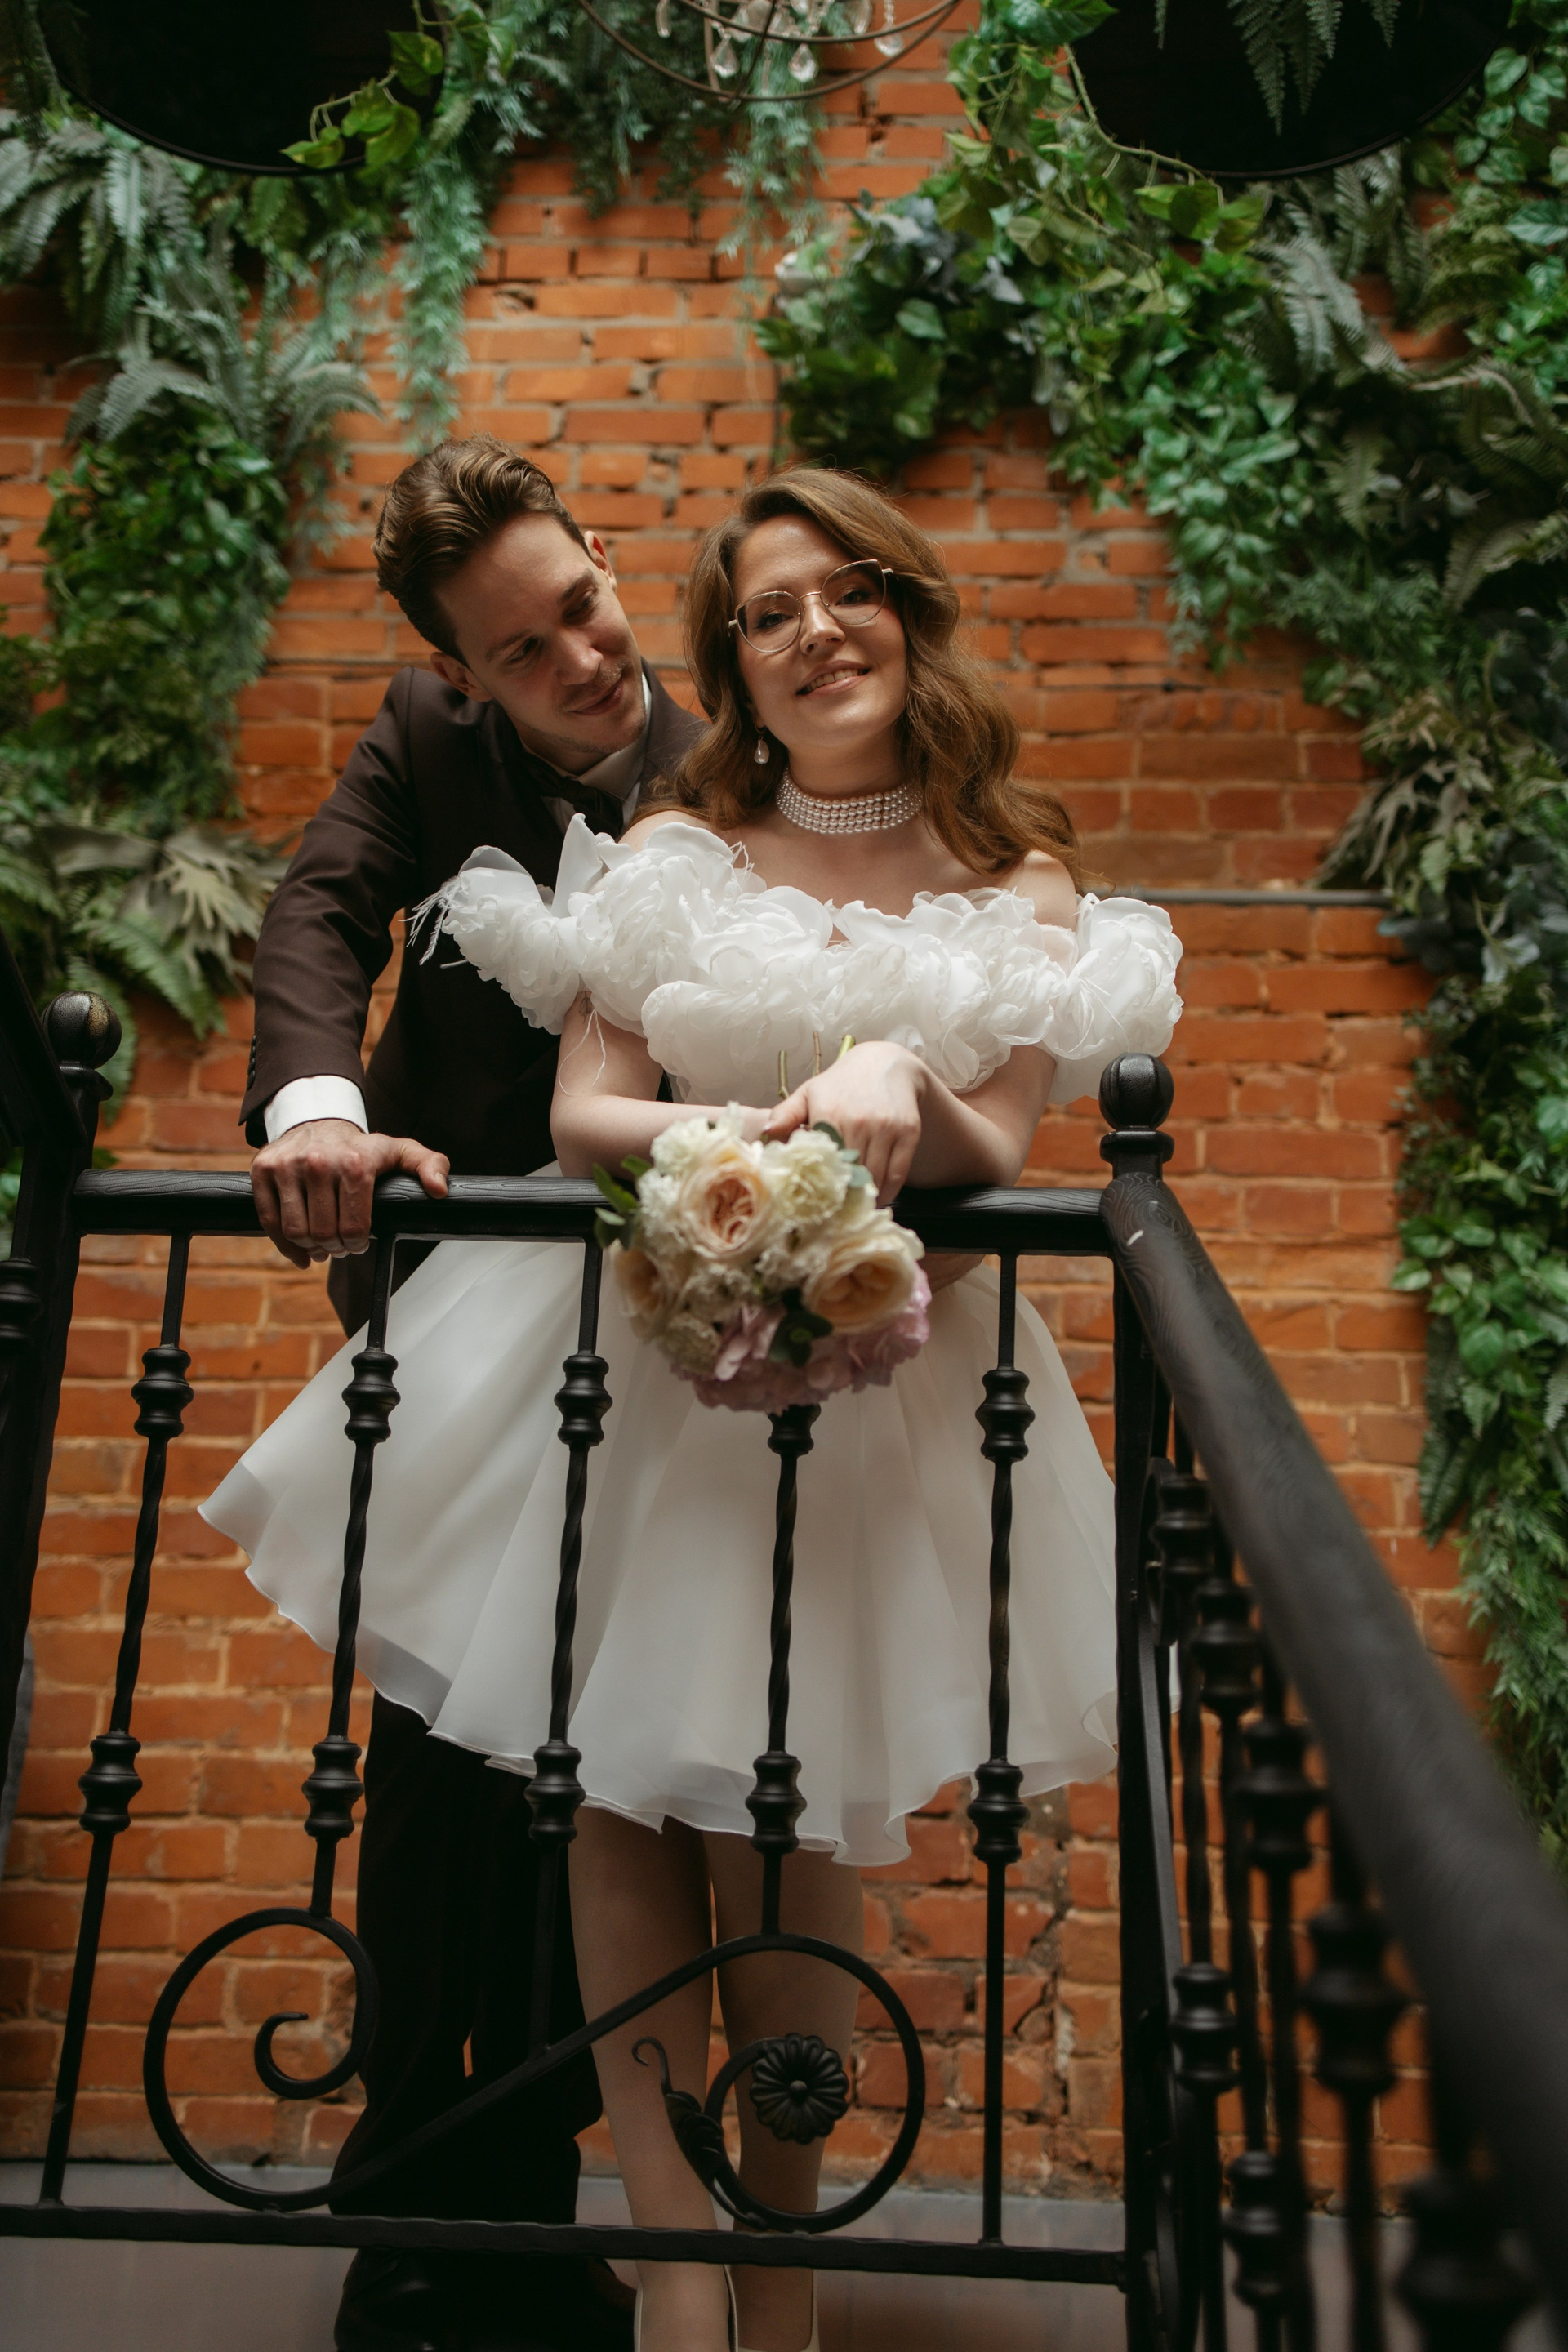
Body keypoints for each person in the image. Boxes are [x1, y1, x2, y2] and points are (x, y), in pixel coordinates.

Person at [207, 468, 1183, 2352]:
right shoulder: (666, 830)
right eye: (768, 611)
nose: (813, 632)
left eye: (848, 591)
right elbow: (490, 1038)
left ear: (907, 604)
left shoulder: (1016, 871)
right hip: (614, 1362)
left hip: (874, 1391)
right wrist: (758, 1142)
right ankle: (595, 2260)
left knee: (787, 1813)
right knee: (579, 1802)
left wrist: (893, 1075)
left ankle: (777, 2288)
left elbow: (996, 1140)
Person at [238, 434, 702, 2352]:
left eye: (582, 605)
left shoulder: (730, 771)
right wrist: (317, 1109)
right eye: (522, 650)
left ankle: (529, 2197)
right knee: (436, 1765)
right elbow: (320, 910)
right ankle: (419, 2208)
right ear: (460, 671)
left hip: (665, 1363)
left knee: (590, 1793)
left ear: (606, 560)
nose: (581, 658)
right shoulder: (422, 748)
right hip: (454, 1336)